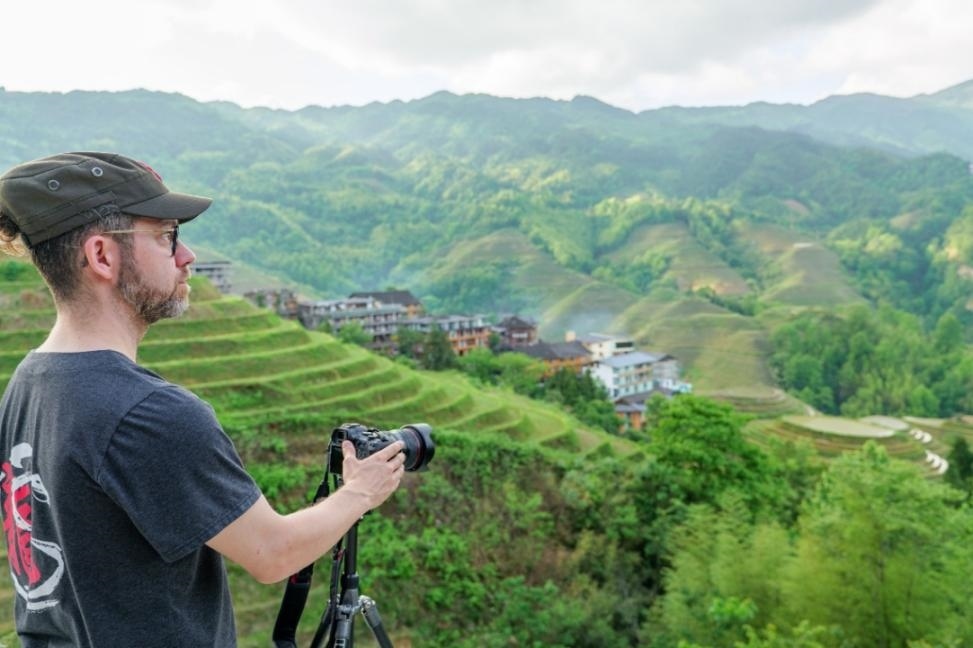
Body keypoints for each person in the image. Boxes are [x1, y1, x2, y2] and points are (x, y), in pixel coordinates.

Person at [0, 152, 406, 647]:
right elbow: (272, 553)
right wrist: (361, 490)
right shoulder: (149, 414)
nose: (186, 255)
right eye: (166, 236)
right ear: (102, 256)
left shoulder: (28, 383)